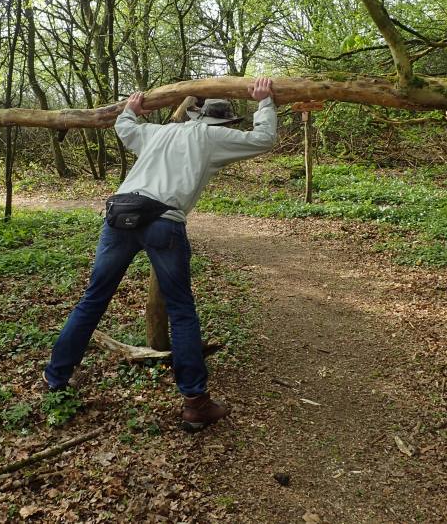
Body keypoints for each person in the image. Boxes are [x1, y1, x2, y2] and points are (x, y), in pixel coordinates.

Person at [44, 77, 277, 431]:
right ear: (224, 122)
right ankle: (195, 403)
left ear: (195, 113)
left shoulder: (159, 132)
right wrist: (264, 102)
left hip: (120, 215)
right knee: (181, 309)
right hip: (162, 222)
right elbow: (264, 139)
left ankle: (56, 377)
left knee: (93, 299)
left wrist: (130, 109)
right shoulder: (213, 136)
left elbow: (126, 129)